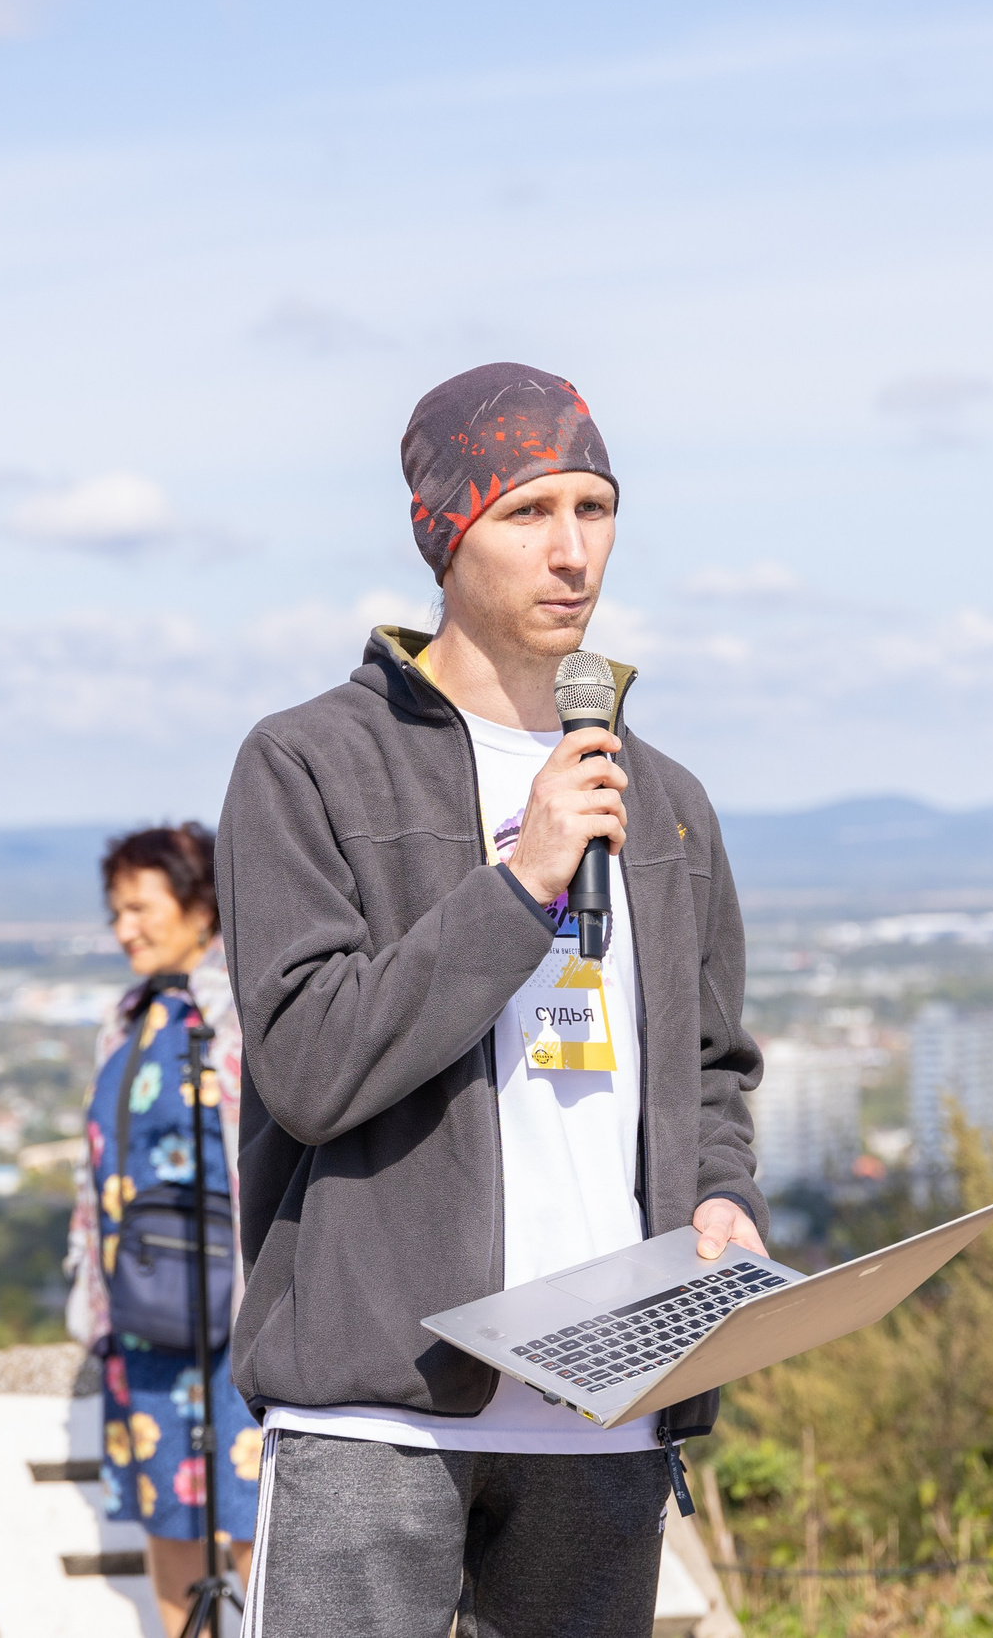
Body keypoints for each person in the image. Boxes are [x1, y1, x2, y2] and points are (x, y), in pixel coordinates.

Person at [216, 362, 766, 1636]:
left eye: (595, 507)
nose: (573, 551)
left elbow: (710, 1065)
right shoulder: (308, 763)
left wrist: (721, 1197)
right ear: (444, 534)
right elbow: (305, 1064)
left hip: (609, 1409)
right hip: (378, 1407)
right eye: (529, 513)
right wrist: (519, 880)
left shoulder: (662, 794)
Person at [63, 822, 260, 1632]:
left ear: (200, 903)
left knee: (255, 1512)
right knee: (165, 1506)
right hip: (141, 1314)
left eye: (141, 907)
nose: (126, 929)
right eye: (117, 911)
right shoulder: (128, 1015)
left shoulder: (244, 1005)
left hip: (241, 1309)